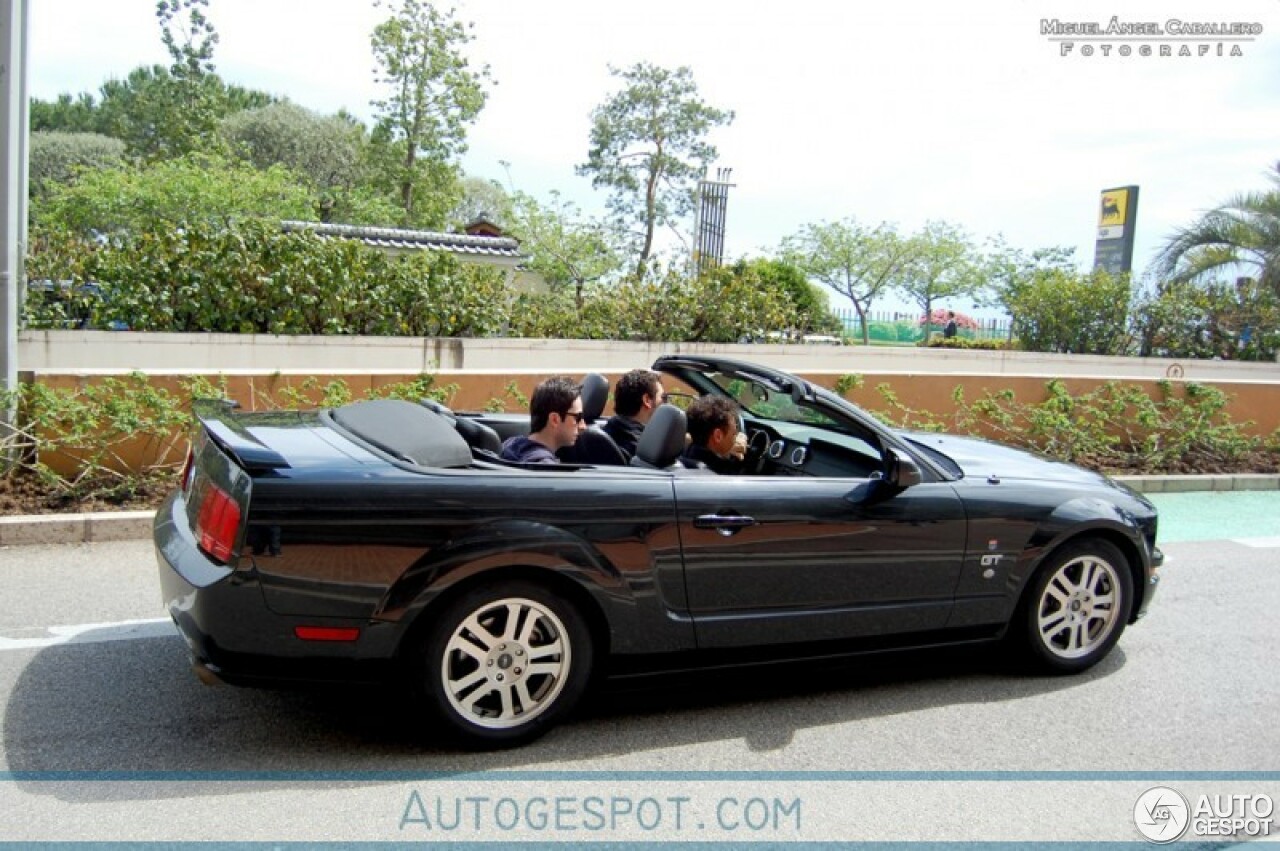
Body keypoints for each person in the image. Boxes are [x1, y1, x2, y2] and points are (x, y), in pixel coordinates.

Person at [500, 376, 585, 464]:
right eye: (577, 417)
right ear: (554, 419)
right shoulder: (545, 468)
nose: (583, 426)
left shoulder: (510, 445)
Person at [602, 369, 665, 460]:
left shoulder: (607, 431)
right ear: (647, 400)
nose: (666, 403)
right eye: (663, 397)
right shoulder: (647, 451)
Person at [680, 395, 747, 474]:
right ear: (718, 436)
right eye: (733, 434)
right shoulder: (717, 475)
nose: (736, 439)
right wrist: (735, 461)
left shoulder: (683, 458)